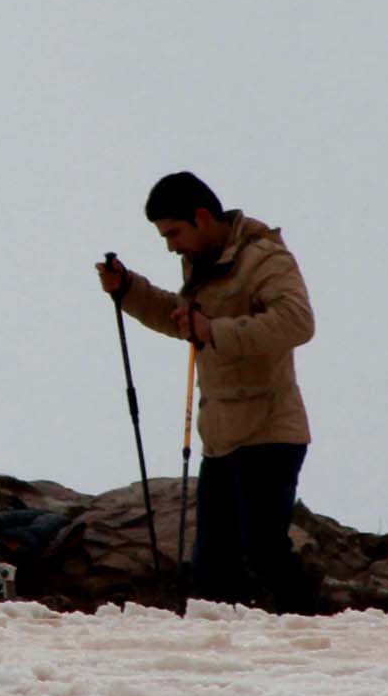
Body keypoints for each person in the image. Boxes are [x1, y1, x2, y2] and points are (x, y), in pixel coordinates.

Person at [95, 172, 316, 608]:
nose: (171, 246)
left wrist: (214, 330)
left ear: (201, 217)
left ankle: (315, 637)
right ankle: (219, 661)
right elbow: (183, 321)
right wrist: (129, 290)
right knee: (213, 570)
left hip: (270, 432)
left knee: (264, 552)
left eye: (174, 233)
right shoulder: (203, 264)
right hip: (220, 438)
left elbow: (298, 322)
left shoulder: (265, 259)